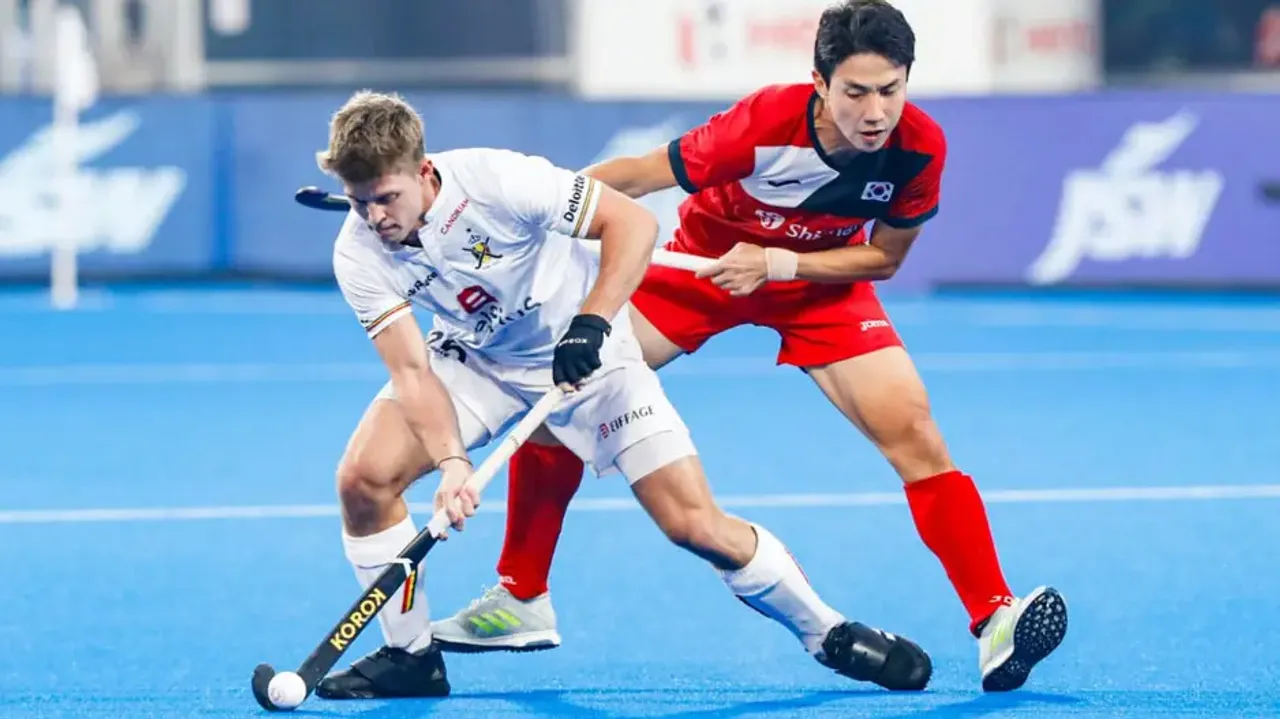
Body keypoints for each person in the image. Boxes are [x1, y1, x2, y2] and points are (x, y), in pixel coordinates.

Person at [430, 0, 1067, 694]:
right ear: (820, 83)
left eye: (890, 90)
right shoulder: (765, 124)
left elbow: (884, 258)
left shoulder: (920, 147)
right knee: (565, 392)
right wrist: (529, 205)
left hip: (818, 286)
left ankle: (994, 617)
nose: (876, 111)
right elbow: (641, 174)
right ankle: (522, 594)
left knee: (915, 432)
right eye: (856, 92)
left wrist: (781, 265)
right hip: (703, 271)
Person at [310, 89, 934, 700]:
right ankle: (410, 657)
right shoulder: (359, 253)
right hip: (476, 360)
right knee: (363, 480)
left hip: (592, 359)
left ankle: (827, 632)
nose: (375, 218)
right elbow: (412, 372)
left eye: (386, 198)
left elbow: (632, 223)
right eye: (359, 202)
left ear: (424, 171)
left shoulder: (499, 179)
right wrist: (452, 462)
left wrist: (593, 321)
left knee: (693, 525)